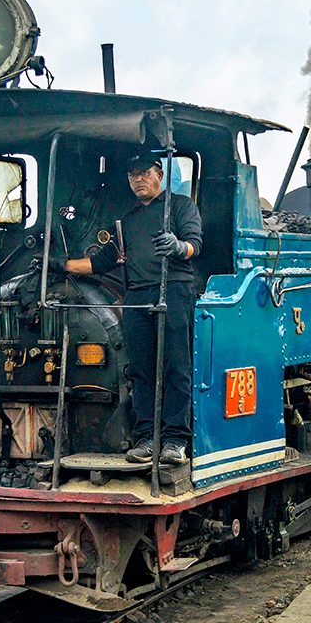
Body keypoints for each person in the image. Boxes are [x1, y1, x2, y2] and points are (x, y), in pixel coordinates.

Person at [51, 153, 202, 466]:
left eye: (144, 173)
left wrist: (177, 247)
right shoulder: (127, 220)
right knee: (141, 370)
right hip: (136, 295)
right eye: (133, 175)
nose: (138, 180)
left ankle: (175, 439)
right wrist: (60, 266)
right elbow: (100, 262)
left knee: (177, 368)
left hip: (173, 290)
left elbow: (194, 244)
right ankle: (147, 437)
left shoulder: (180, 206)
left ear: (159, 174)